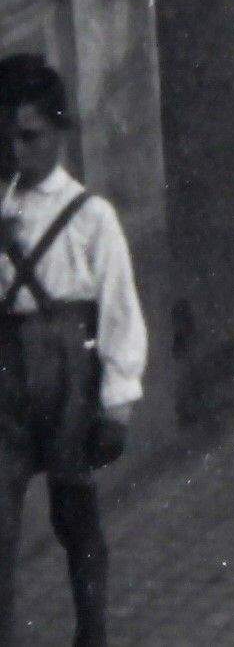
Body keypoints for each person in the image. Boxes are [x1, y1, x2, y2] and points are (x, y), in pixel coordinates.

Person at [0, 55, 136, 647]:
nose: (15, 152)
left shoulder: (90, 216)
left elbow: (119, 309)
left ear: (59, 131)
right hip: (7, 374)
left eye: (29, 137)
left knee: (74, 512)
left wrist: (117, 402)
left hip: (67, 374)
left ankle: (92, 631)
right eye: (4, 139)